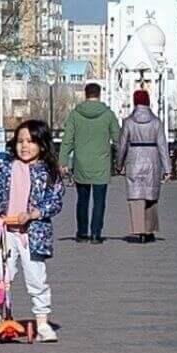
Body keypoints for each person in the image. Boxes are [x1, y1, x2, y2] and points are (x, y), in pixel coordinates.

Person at [0, 119, 63, 343]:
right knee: (0, 274)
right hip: (6, 232)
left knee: (36, 277)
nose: (25, 146)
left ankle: (42, 322)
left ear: (42, 145)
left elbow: (54, 201)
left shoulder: (48, 172)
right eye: (21, 141)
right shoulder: (6, 168)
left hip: (33, 235)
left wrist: (34, 214)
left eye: (31, 142)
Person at [59, 82, 121, 243]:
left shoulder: (75, 114)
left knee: (82, 200)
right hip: (101, 163)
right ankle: (96, 233)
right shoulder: (108, 115)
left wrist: (63, 161)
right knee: (99, 201)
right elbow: (117, 138)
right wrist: (120, 159)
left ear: (85, 94)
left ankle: (81, 232)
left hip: (81, 163)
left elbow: (67, 140)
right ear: (99, 94)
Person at [116, 89, 170, 243]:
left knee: (136, 196)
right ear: (148, 102)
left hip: (134, 157)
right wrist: (167, 169)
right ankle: (149, 230)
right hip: (152, 158)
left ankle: (139, 230)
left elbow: (122, 145)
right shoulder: (156, 122)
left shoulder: (128, 122)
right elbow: (162, 146)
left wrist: (119, 164)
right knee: (150, 196)